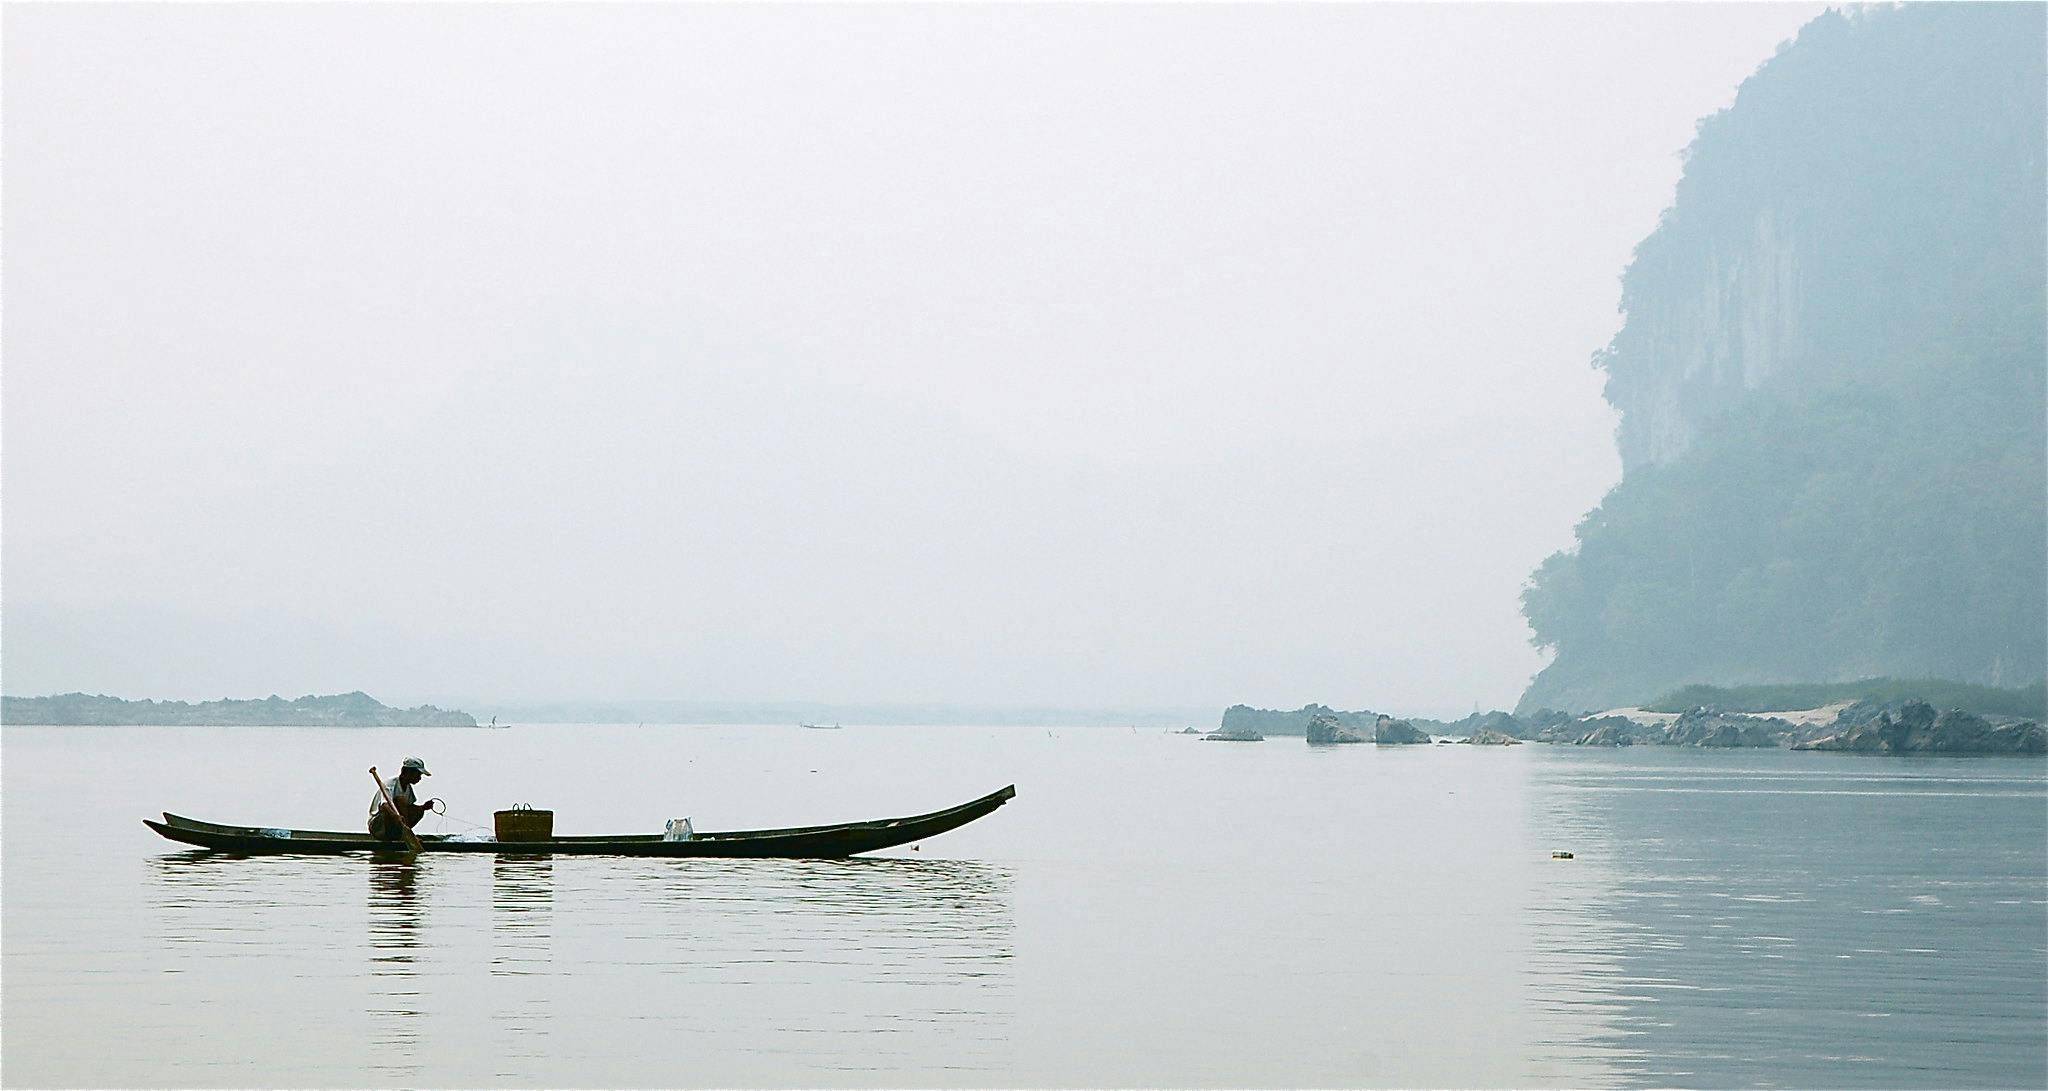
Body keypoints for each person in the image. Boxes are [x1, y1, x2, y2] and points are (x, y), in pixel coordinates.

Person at [369, 756, 438, 842]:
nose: (419, 778)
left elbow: (407, 809)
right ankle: (406, 836)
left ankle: (404, 834)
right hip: (379, 827)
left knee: (419, 810)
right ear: (407, 772)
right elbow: (384, 806)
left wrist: (423, 807)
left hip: (393, 828)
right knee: (401, 800)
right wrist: (396, 817)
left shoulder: (408, 788)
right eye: (418, 774)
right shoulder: (390, 784)